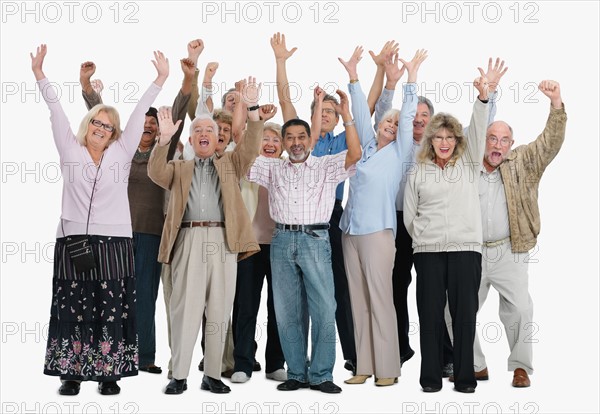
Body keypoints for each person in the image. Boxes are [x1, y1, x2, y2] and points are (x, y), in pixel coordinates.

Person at [33, 44, 169, 396]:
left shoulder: (122, 153)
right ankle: (72, 373)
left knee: (111, 307)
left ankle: (109, 374)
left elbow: (140, 113)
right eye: (97, 122)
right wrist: (39, 73)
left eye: (108, 126)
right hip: (73, 240)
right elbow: (55, 110)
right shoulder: (69, 148)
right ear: (87, 124)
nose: (101, 128)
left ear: (115, 133)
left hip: (114, 242)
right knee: (74, 308)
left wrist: (160, 79)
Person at [378, 58, 507, 375]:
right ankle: (401, 349)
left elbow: (479, 128)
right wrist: (395, 81)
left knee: (445, 299)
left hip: (434, 231)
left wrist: (489, 93)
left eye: (426, 117)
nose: (420, 121)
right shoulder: (399, 142)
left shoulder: (451, 149)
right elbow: (383, 117)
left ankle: (449, 357)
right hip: (398, 225)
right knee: (399, 288)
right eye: (415, 116)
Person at [79, 56, 194, 376]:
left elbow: (180, 110)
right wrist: (88, 87)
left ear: (159, 129)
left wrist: (187, 77)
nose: (148, 125)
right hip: (114, 233)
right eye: (144, 122)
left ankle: (143, 357)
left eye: (154, 122)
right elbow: (101, 123)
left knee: (144, 295)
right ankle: (109, 354)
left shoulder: (165, 151)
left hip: (151, 233)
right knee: (108, 294)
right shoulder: (121, 151)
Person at [148, 78, 264, 395]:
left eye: (209, 131)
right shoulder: (179, 167)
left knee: (218, 309)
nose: (203, 134)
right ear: (191, 137)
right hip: (188, 239)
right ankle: (180, 374)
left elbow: (252, 146)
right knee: (185, 308)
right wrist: (164, 140)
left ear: (217, 140)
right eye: (198, 130)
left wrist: (252, 109)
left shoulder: (230, 163)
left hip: (224, 242)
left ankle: (212, 373)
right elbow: (155, 173)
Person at [247, 85, 361, 394]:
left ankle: (322, 374)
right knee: (287, 312)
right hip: (282, 241)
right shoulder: (272, 167)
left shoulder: (325, 165)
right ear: (283, 143)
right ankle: (296, 372)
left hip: (315, 239)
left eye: (301, 137)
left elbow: (356, 153)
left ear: (308, 140)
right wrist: (252, 110)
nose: (296, 143)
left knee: (324, 308)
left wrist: (347, 115)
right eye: (290, 138)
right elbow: (242, 156)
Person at [338, 46, 426, 386]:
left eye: (394, 122)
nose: (390, 125)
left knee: (380, 299)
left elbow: (407, 118)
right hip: (351, 232)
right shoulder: (366, 148)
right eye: (385, 121)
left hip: (378, 233)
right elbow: (361, 112)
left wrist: (410, 79)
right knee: (358, 301)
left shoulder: (400, 152)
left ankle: (388, 369)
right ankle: (363, 366)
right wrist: (353, 76)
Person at [470, 80, 566, 388]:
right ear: (483, 140)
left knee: (520, 308)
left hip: (511, 250)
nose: (497, 145)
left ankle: (521, 367)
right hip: (472, 251)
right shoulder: (468, 165)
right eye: (492, 138)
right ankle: (475, 365)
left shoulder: (523, 162)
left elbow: (550, 143)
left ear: (511, 144)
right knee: (454, 307)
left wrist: (556, 104)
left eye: (504, 140)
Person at [404, 71, 490, 393]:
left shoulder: (468, 163)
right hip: (428, 253)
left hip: (466, 250)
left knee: (464, 317)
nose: (444, 143)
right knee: (428, 316)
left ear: (457, 141)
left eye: (449, 137)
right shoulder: (418, 171)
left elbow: (478, 128)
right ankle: (429, 379)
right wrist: (425, 237)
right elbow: (411, 216)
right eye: (438, 137)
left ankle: (465, 379)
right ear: (431, 141)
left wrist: (483, 98)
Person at [231, 120, 287, 384]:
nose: (270, 144)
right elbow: (241, 137)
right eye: (266, 139)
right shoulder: (247, 167)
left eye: (276, 140)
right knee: (246, 306)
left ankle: (275, 363)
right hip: (250, 246)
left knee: (279, 308)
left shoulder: (288, 170)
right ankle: (242, 362)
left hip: (280, 247)